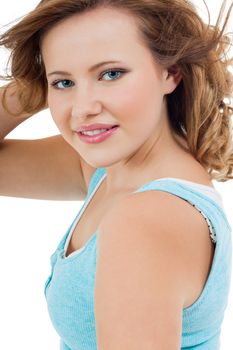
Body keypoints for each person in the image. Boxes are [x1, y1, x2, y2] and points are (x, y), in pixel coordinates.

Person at [0, 0, 232, 349]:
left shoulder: (145, 220)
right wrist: (36, 83)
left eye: (111, 74)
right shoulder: (108, 171)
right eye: (64, 83)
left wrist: (62, 74)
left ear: (170, 73)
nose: (83, 108)